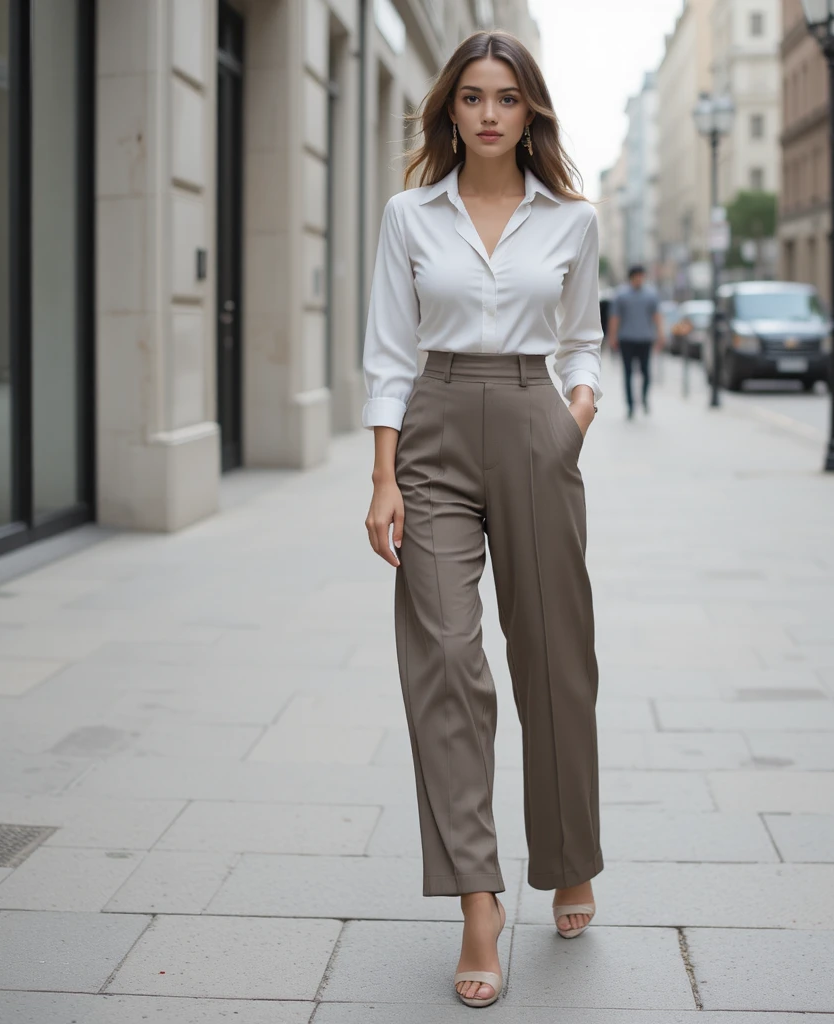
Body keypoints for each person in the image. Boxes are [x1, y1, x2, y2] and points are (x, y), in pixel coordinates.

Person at [362, 30, 604, 1010]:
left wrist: (573, 417)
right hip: (432, 428)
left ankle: (568, 855)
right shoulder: (408, 215)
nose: (491, 112)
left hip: (533, 418)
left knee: (552, 654)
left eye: (508, 97)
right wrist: (383, 479)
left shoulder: (571, 221)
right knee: (445, 661)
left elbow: (583, 335)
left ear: (530, 111)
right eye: (473, 97)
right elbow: (387, 350)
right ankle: (477, 897)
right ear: (449, 111)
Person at [607, 265, 664, 417]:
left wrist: (660, 335)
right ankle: (630, 405)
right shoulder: (621, 295)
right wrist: (612, 337)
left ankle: (644, 398)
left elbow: (656, 316)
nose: (639, 279)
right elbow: (615, 318)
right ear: (631, 277)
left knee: (646, 372)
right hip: (626, 339)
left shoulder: (650, 295)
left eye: (641, 276)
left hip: (645, 339)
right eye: (637, 276)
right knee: (628, 373)